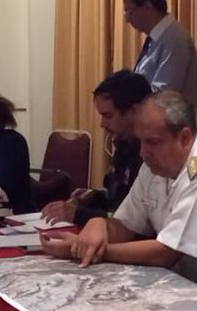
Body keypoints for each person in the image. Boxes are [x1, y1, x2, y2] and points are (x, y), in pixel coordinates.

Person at [40, 90, 197, 287]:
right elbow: (126, 226)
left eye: (153, 142)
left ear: (184, 138)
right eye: (141, 141)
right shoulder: (153, 167)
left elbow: (166, 253)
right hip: (180, 282)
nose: (143, 152)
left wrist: (95, 250)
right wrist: (98, 224)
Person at [41, 70, 152, 226]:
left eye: (108, 116)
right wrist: (95, 197)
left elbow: (132, 222)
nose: (102, 124)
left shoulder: (150, 156)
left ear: (134, 112)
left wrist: (77, 215)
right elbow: (119, 200)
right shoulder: (124, 147)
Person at [122, 0, 197, 107]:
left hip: (165, 119)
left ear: (147, 7)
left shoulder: (174, 40)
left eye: (129, 11)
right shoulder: (157, 38)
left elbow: (163, 97)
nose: (127, 19)